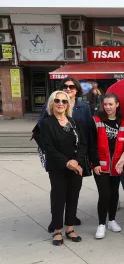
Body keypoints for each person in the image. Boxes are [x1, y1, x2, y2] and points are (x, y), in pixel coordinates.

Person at [38, 77, 91, 233]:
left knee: (73, 195)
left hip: (76, 161)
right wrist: (67, 162)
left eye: (64, 101)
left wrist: (79, 160)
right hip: (58, 164)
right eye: (57, 100)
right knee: (58, 196)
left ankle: (69, 225)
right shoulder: (47, 121)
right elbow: (46, 143)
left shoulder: (77, 115)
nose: (61, 103)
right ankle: (57, 227)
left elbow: (84, 138)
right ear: (52, 103)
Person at [89, 93, 124, 239]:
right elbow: (91, 144)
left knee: (114, 194)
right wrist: (94, 163)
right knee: (104, 194)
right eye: (105, 104)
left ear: (117, 105)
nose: (107, 107)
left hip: (117, 166)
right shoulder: (96, 120)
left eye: (110, 104)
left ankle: (112, 220)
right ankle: (101, 224)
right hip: (101, 166)